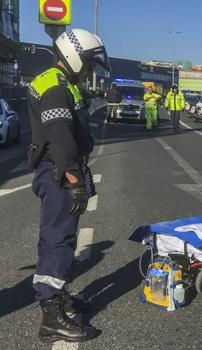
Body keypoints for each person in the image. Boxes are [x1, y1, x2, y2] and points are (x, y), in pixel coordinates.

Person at [27, 28, 109, 343]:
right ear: (74, 57)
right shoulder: (55, 88)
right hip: (58, 173)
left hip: (57, 171)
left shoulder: (58, 82)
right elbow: (59, 135)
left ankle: (58, 295)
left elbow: (75, 109)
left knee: (60, 236)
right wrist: (74, 179)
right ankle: (52, 316)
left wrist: (100, 95)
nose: (89, 71)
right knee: (57, 240)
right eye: (88, 64)